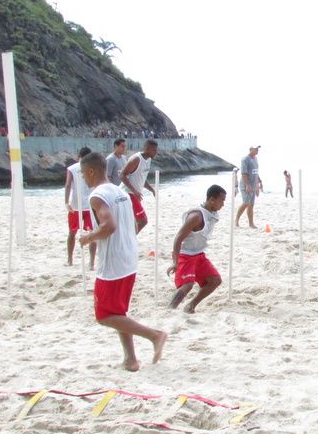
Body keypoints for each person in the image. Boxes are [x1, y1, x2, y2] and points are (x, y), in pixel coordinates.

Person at [78, 152, 167, 372]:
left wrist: (88, 237)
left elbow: (109, 226)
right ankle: (130, 359)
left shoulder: (97, 196)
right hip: (129, 258)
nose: (83, 178)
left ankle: (154, 335)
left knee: (104, 315)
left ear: (91, 171)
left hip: (113, 263)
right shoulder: (121, 191)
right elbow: (136, 222)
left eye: (83, 173)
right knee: (118, 313)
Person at [168, 185, 226, 313]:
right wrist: (175, 262)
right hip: (186, 255)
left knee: (215, 280)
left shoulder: (211, 213)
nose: (223, 204)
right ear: (212, 199)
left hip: (199, 254)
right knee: (187, 285)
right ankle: (170, 309)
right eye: (221, 200)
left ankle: (191, 306)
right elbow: (178, 238)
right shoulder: (196, 217)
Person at [65, 147, 96, 268]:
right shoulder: (93, 167)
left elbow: (68, 185)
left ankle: (70, 259)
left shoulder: (72, 168)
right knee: (92, 233)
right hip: (89, 205)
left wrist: (66, 202)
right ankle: (92, 262)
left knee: (72, 232)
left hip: (76, 205)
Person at [120, 139, 158, 234]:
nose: (156, 152)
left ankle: (128, 239)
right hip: (128, 194)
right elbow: (122, 175)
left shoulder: (148, 160)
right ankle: (130, 239)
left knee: (131, 221)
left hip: (135, 194)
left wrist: (151, 189)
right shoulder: (136, 159)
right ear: (147, 149)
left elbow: (142, 177)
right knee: (143, 220)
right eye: (154, 150)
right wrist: (134, 191)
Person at [236, 146, 261, 228]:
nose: (257, 150)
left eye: (258, 149)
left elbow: (256, 173)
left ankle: (251, 223)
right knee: (246, 203)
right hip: (246, 185)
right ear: (250, 149)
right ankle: (236, 220)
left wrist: (259, 184)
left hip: (253, 185)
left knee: (251, 205)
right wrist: (247, 185)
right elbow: (244, 173)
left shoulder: (255, 159)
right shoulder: (245, 159)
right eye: (255, 148)